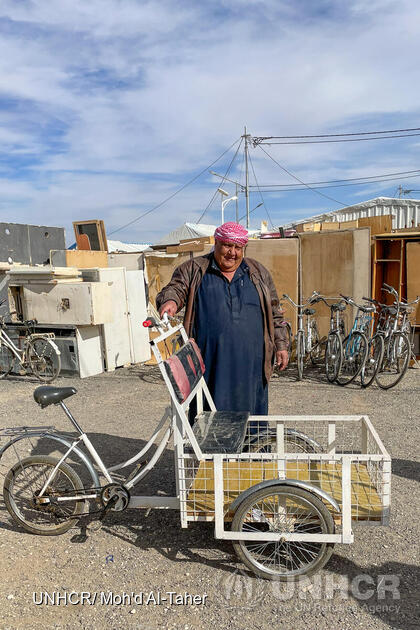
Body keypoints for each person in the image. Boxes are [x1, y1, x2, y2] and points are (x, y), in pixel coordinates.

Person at [156, 221, 289, 418]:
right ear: (216, 243)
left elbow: (275, 312)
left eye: (237, 248)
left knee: (252, 418)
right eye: (227, 245)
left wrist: (281, 345)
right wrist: (171, 302)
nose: (232, 253)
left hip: (251, 365)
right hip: (211, 364)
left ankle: (253, 449)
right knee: (209, 413)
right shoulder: (195, 269)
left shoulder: (257, 273)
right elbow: (175, 288)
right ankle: (210, 449)